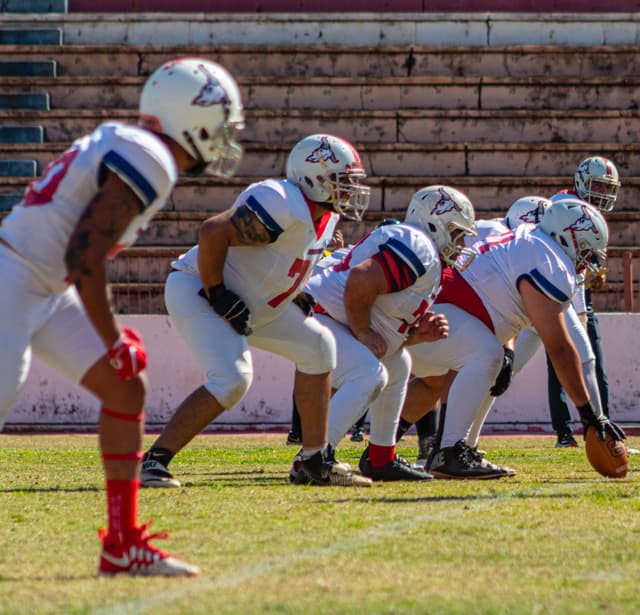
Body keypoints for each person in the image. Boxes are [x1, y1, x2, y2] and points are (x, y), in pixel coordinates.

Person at [0, 57, 245, 576]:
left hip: (40, 285)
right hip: (15, 280)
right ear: (193, 118)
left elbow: (75, 256)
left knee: (124, 388)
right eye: (220, 123)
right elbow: (83, 254)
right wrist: (111, 337)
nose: (224, 137)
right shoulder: (150, 156)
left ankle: (121, 544)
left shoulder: (130, 142)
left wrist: (109, 341)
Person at [141, 133, 373, 489]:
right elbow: (213, 232)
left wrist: (293, 292)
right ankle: (152, 462)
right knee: (232, 380)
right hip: (197, 288)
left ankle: (313, 460)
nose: (348, 192)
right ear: (313, 177)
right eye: (340, 182)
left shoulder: (323, 217)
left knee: (319, 347)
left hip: (254, 301)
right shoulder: (282, 200)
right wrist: (216, 292)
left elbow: (282, 259)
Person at [405, 199, 626, 479]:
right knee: (487, 355)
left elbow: (499, 303)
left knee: (461, 366)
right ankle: (448, 451)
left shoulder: (532, 242)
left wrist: (509, 348)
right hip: (433, 318)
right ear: (565, 237)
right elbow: (559, 347)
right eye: (585, 251)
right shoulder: (548, 259)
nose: (588, 263)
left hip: (434, 315)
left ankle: (386, 452)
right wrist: (589, 415)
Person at [298, 185, 475, 482]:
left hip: (333, 318)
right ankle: (314, 459)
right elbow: (360, 280)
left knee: (399, 364)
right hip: (320, 314)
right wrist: (364, 332)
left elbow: (386, 329)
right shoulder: (419, 246)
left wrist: (416, 336)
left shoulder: (426, 256)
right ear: (435, 223)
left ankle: (381, 458)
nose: (462, 242)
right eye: (457, 233)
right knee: (369, 374)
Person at [546, 156, 621, 448]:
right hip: (551, 289)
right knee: (562, 360)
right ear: (580, 182)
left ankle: (606, 426)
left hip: (577, 289)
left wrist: (594, 278)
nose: (602, 192)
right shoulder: (564, 206)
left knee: (595, 362)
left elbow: (588, 264)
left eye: (607, 187)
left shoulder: (593, 214)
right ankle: (564, 432)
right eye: (596, 185)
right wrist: (579, 309)